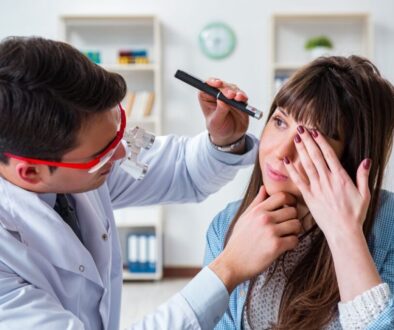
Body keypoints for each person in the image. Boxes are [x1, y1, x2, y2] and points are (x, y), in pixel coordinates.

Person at [0, 36, 279, 330]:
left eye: (117, 127)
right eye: (102, 152)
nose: (120, 153)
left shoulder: (75, 165)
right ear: (30, 172)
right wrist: (228, 268)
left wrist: (224, 140)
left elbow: (180, 169)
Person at [204, 55, 394, 329]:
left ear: (349, 157)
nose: (281, 152)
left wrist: (346, 235)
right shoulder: (226, 225)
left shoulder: (387, 225)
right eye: (280, 122)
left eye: (309, 139)